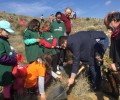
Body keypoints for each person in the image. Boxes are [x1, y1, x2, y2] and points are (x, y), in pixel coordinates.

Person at [104, 11, 120, 98]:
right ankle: (114, 93)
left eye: (108, 26)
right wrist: (110, 61)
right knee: (108, 72)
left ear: (114, 20)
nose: (109, 29)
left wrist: (117, 66)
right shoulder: (115, 33)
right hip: (116, 63)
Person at [0, 20, 17, 100]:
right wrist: (14, 60)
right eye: (7, 31)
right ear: (0, 30)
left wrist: (13, 53)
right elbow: (1, 57)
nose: (8, 33)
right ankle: (7, 98)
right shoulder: (0, 41)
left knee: (9, 84)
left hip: (8, 68)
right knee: (6, 85)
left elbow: (8, 50)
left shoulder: (5, 40)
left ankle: (9, 95)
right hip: (3, 69)